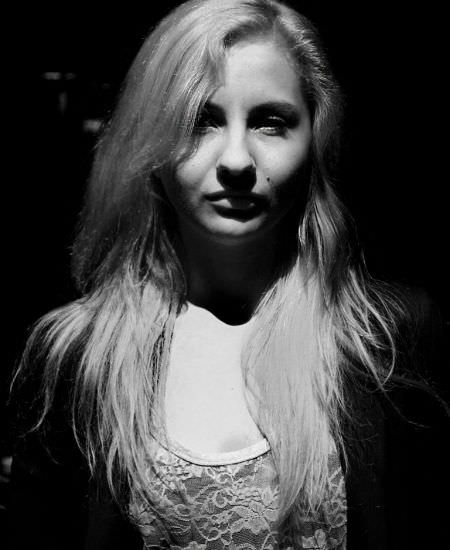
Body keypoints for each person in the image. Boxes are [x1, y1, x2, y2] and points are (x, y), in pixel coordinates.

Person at [8, 0, 448, 549]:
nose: (236, 161)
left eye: (271, 122)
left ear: (315, 140)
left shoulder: (386, 341)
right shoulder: (77, 357)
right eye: (201, 121)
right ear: (149, 141)